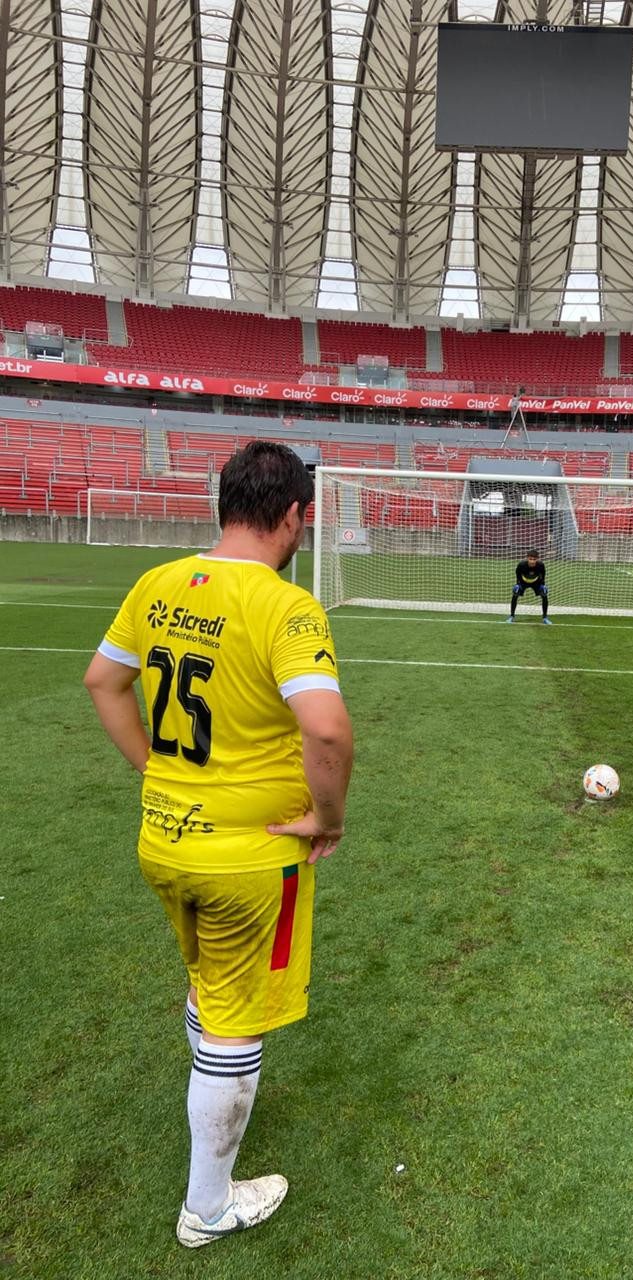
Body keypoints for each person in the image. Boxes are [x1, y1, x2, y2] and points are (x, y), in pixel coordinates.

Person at [82, 441, 353, 1248]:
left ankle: (215, 1086)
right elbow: (326, 729)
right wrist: (328, 818)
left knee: (210, 985)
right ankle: (206, 1207)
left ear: (224, 503)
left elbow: (103, 681)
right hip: (247, 857)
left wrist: (155, 771)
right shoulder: (285, 605)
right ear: (296, 515)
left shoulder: (157, 583)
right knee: (237, 1019)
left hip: (164, 839)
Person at [507, 549, 552, 624]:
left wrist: (543, 585)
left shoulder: (541, 565)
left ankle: (545, 618)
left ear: (537, 559)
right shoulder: (521, 565)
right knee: (515, 595)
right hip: (523, 582)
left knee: (544, 595)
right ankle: (511, 616)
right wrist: (517, 584)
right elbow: (518, 574)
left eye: (534, 559)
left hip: (536, 582)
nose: (532, 561)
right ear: (527, 558)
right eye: (530, 559)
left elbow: (543, 574)